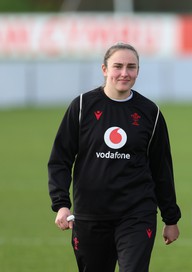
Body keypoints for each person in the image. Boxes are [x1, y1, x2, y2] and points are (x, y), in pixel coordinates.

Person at [48, 42, 181, 272]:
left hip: (137, 214)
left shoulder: (150, 113)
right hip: (91, 215)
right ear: (104, 69)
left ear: (138, 71)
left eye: (131, 67)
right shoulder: (81, 107)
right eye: (118, 66)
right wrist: (61, 204)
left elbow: (161, 169)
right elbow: (60, 159)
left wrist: (170, 218)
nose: (124, 73)